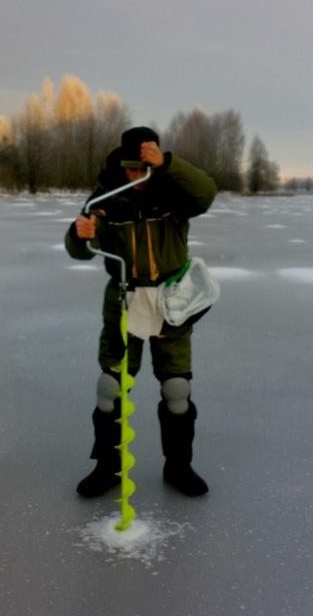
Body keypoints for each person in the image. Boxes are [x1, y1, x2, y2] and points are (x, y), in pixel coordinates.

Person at [65, 126, 217, 498]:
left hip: (171, 303)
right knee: (110, 387)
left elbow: (207, 193)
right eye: (130, 167)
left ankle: (178, 467)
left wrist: (168, 164)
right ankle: (108, 467)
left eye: (143, 166)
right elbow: (80, 250)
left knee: (177, 389)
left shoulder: (176, 194)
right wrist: (79, 234)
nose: (136, 174)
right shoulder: (106, 197)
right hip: (124, 302)